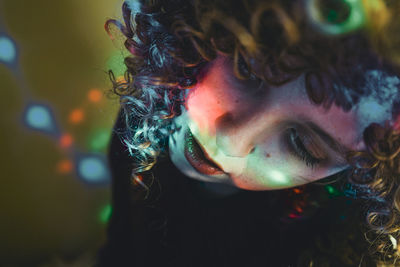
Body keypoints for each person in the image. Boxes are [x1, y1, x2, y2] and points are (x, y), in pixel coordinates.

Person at [96, 0, 400, 266]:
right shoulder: (149, 107)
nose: (230, 141)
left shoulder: (323, 247)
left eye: (302, 145)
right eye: (246, 70)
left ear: (363, 173)